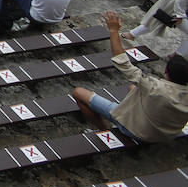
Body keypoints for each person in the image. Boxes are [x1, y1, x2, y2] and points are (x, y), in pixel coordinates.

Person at [72, 11, 188, 142]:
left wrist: (113, 30)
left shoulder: (154, 87)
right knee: (133, 88)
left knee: (78, 92)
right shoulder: (157, 88)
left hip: (136, 130)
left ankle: (104, 128)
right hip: (166, 133)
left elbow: (122, 62)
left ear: (166, 72)